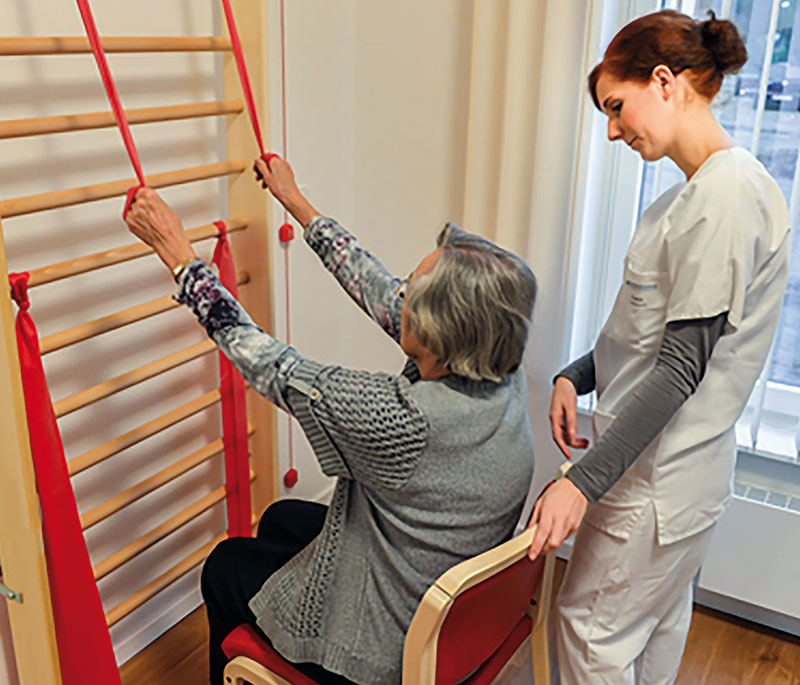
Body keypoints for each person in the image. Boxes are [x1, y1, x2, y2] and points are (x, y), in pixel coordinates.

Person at [124, 154, 537, 684]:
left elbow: (268, 362)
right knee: (280, 520)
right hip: (441, 585)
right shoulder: (500, 363)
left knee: (226, 566)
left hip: (386, 646)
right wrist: (297, 204)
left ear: (435, 331)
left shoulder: (403, 419)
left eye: (410, 293)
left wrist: (180, 257)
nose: (398, 296)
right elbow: (376, 287)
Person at [526, 10, 791, 684]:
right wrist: (574, 374)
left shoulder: (725, 199)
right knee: (656, 625)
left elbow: (679, 370)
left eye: (617, 106)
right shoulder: (690, 199)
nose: (612, 129)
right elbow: (646, 334)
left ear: (665, 81)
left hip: (655, 485)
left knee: (590, 632)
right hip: (671, 480)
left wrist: (580, 484)